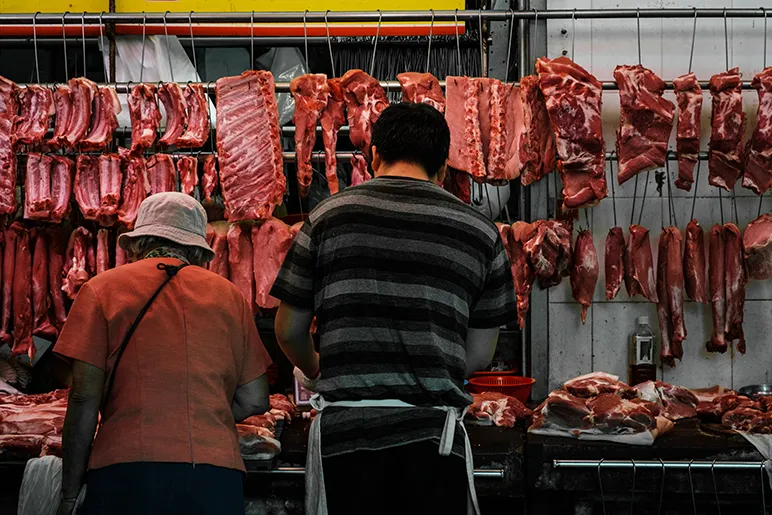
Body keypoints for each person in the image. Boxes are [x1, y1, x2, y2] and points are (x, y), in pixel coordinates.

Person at [271, 102, 517, 515]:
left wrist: (319, 369)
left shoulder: (327, 217)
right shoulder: (479, 231)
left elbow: (288, 330)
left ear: (373, 157)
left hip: (345, 439)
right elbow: (478, 355)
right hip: (434, 441)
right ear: (442, 169)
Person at [55, 192, 272, 515]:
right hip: (214, 476)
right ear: (199, 251)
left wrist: (70, 493)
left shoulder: (102, 290)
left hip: (126, 472)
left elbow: (84, 399)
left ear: (136, 244)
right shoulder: (230, 297)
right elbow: (255, 400)